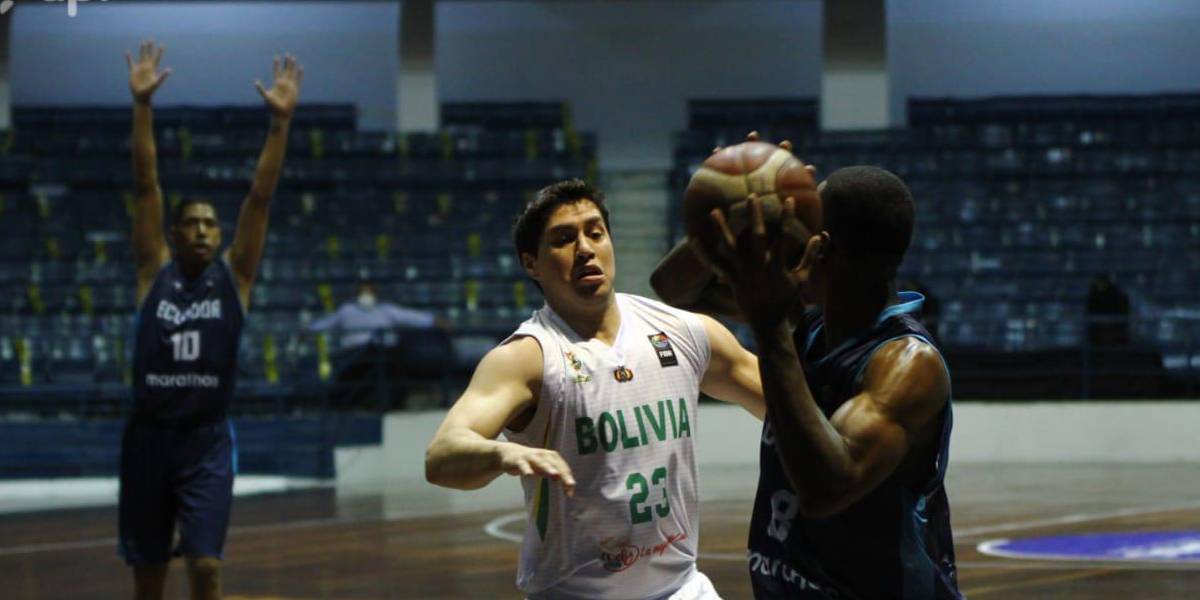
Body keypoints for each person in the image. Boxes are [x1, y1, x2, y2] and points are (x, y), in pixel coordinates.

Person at [425, 179, 766, 600]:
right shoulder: (529, 357)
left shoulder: (680, 331)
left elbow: (786, 404)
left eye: (594, 232)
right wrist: (504, 452)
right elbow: (441, 456)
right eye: (564, 239)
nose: (585, 248)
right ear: (532, 264)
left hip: (682, 589)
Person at [655, 163, 962, 599]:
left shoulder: (907, 365)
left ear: (819, 247)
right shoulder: (813, 323)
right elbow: (673, 288)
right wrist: (729, 213)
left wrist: (768, 323)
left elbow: (826, 488)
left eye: (804, 222)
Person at [119, 41, 301, 600]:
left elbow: (261, 197)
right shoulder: (153, 272)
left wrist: (280, 124)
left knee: (205, 568)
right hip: (148, 439)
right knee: (149, 576)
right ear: (174, 236)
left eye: (210, 225)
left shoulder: (235, 278)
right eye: (191, 224)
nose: (202, 231)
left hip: (205, 442)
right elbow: (147, 186)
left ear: (221, 237)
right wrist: (142, 107)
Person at [308, 282, 447, 409]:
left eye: (369, 291)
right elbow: (325, 324)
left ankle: (396, 403)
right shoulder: (347, 310)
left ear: (376, 293)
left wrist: (433, 320)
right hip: (354, 356)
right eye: (363, 291)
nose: (366, 295)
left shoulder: (385, 310)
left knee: (394, 360)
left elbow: (411, 317)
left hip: (384, 355)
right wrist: (307, 331)